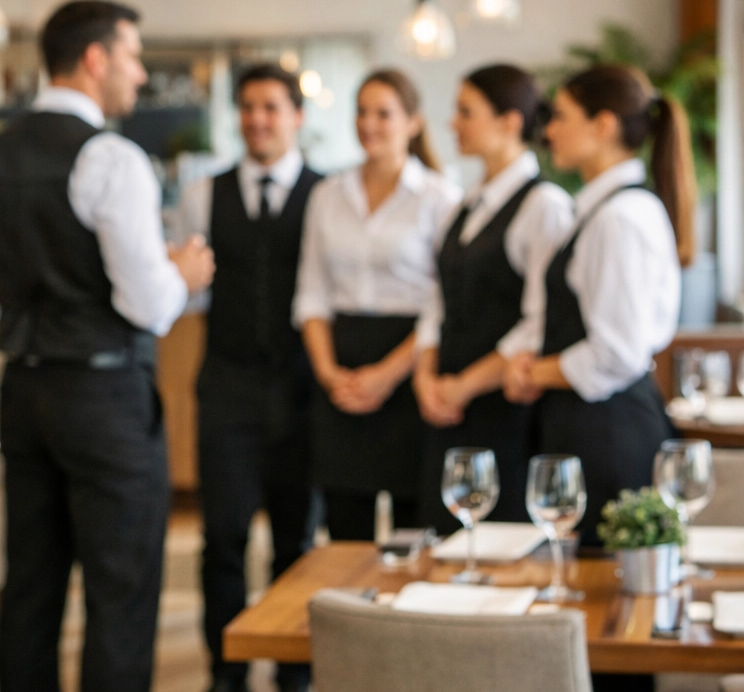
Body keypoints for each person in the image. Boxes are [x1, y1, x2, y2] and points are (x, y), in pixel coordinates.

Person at [0, 0, 215, 692]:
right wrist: (183, 270)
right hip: (104, 400)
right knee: (120, 595)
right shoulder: (111, 158)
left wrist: (40, 302)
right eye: (132, 56)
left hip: (24, 394)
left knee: (31, 592)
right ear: (94, 59)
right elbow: (150, 304)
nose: (137, 72)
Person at [172, 63, 321, 692]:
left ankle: (297, 682)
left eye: (270, 107)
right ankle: (225, 678)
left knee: (297, 545)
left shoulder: (327, 196)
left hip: (302, 392)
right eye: (247, 108)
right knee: (223, 540)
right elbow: (191, 290)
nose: (257, 119)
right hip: (227, 388)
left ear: (297, 116)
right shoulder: (205, 194)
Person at [505, 63, 692, 544]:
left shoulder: (619, 218)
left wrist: (533, 373)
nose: (549, 132)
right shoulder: (602, 211)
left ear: (603, 125)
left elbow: (617, 353)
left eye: (562, 116)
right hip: (589, 427)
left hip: (610, 435)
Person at [294, 68, 461, 541]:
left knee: (414, 516)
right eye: (361, 111)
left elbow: (442, 304)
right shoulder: (328, 194)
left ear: (413, 122)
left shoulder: (439, 198)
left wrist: (387, 374)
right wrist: (330, 375)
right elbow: (311, 293)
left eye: (383, 113)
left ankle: (407, 615)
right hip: (339, 362)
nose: (369, 123)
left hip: (410, 361)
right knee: (344, 521)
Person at [413, 65, 575, 531]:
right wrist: (427, 376)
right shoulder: (464, 205)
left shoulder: (543, 205)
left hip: (505, 407)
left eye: (466, 112)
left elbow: (542, 321)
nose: (452, 124)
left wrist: (465, 384)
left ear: (509, 122)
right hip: (445, 405)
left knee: (502, 553)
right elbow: (436, 300)